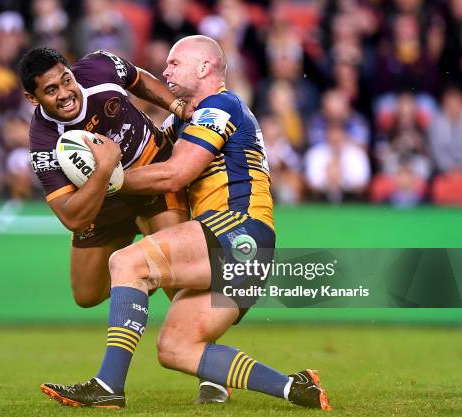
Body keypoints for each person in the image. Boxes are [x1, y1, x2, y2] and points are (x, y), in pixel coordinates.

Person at [40, 36, 331, 411]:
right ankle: (294, 386)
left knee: (127, 263)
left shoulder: (221, 104)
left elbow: (175, 174)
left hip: (237, 228)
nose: (165, 70)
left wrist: (108, 178)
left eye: (175, 63)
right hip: (248, 256)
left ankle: (108, 385)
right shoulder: (186, 120)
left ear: (205, 68)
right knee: (175, 348)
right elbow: (153, 155)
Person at [18, 47, 229, 403]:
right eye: (50, 90)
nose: (65, 93)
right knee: (86, 295)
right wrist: (104, 170)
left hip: (152, 176)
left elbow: (139, 80)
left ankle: (210, 371)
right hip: (103, 202)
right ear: (32, 98)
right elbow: (72, 217)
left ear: (72, 71)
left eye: (65, 80)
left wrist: (175, 107)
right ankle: (136, 278)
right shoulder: (43, 142)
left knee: (174, 279)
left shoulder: (99, 66)